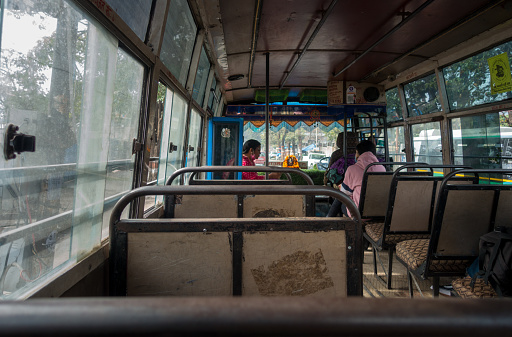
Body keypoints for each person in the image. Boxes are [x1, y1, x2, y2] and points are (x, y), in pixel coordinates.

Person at [327, 140, 385, 217]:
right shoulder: (382, 168)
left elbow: (345, 193)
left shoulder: (352, 169)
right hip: (379, 212)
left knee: (340, 196)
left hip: (358, 214)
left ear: (357, 153)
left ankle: (329, 219)